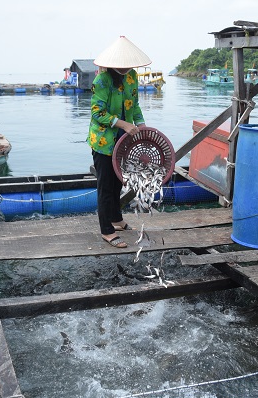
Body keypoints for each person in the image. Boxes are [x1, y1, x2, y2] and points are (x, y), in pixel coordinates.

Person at [87, 36, 151, 248]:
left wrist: (140, 125)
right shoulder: (101, 81)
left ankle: (116, 219)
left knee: (117, 181)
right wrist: (123, 124)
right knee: (105, 186)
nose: (125, 69)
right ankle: (107, 230)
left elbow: (135, 105)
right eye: (121, 66)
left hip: (122, 142)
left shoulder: (132, 76)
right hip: (104, 141)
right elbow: (97, 112)